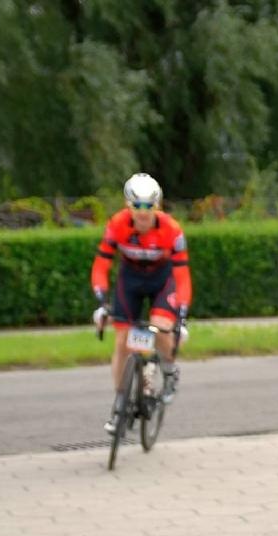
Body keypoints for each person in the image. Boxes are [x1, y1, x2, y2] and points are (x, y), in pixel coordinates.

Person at [91, 173, 191, 434]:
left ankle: (169, 371)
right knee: (122, 341)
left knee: (160, 328)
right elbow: (101, 264)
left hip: (162, 280)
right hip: (131, 279)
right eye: (137, 206)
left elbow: (182, 276)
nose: (143, 213)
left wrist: (181, 314)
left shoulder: (172, 229)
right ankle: (120, 405)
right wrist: (101, 300)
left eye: (149, 206)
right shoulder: (117, 225)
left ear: (157, 206)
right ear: (128, 205)